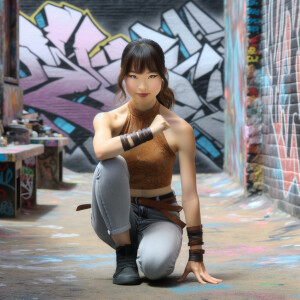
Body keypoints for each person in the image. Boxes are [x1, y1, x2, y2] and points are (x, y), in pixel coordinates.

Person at [77, 38, 223, 285]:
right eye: (133, 76)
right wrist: (149, 132)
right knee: (112, 163)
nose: (142, 85)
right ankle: (125, 256)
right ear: (123, 76)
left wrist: (196, 252)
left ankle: (142, 251)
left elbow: (190, 195)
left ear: (163, 76)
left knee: (156, 270)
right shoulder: (108, 119)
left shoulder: (181, 129)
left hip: (160, 214)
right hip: (115, 216)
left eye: (151, 76)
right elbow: (101, 151)